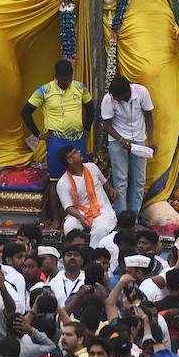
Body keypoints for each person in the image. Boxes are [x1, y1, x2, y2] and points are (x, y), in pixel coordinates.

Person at [23, 60, 95, 224]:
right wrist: (38, 134)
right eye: (63, 79)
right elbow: (26, 112)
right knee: (55, 180)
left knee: (80, 177)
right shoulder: (44, 90)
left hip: (77, 140)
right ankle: (56, 218)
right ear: (56, 76)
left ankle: (85, 215)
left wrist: (86, 130)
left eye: (69, 78)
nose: (67, 82)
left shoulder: (80, 87)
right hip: (56, 142)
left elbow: (90, 108)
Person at [100, 74, 154, 216]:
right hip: (117, 140)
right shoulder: (109, 99)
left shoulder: (142, 92)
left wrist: (151, 140)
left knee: (139, 180)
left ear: (127, 92)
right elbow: (106, 124)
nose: (116, 99)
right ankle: (122, 217)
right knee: (120, 180)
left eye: (118, 97)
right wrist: (120, 139)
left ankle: (134, 217)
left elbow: (148, 115)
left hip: (138, 139)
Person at [55, 146, 116, 247]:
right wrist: (81, 218)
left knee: (99, 230)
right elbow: (68, 207)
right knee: (69, 227)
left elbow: (104, 182)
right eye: (75, 152)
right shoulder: (62, 183)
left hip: (102, 210)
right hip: (80, 213)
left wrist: (110, 189)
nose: (79, 151)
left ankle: (93, 254)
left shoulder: (92, 167)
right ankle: (75, 253)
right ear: (70, 160)